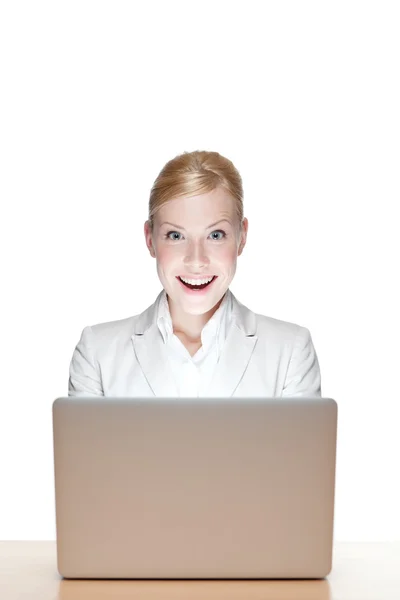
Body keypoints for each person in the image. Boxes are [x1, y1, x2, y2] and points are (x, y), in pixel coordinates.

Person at [68, 150, 321, 398]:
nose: (196, 260)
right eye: (176, 236)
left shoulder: (291, 353)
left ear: (242, 237)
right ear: (150, 239)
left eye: (215, 235)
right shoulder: (97, 355)